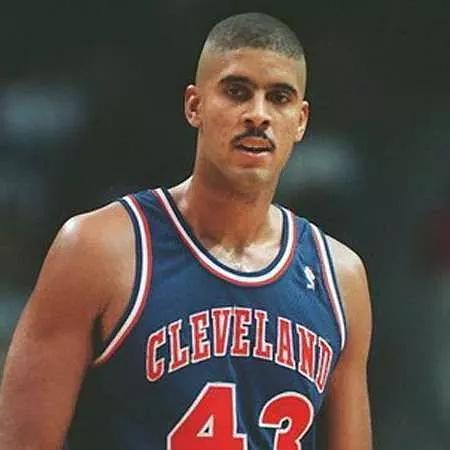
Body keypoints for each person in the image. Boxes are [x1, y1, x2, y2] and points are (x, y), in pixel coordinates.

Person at [0, 12, 372, 450]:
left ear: (301, 120)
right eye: (237, 92)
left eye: (279, 97)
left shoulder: (340, 277)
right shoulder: (98, 249)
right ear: (194, 106)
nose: (258, 114)